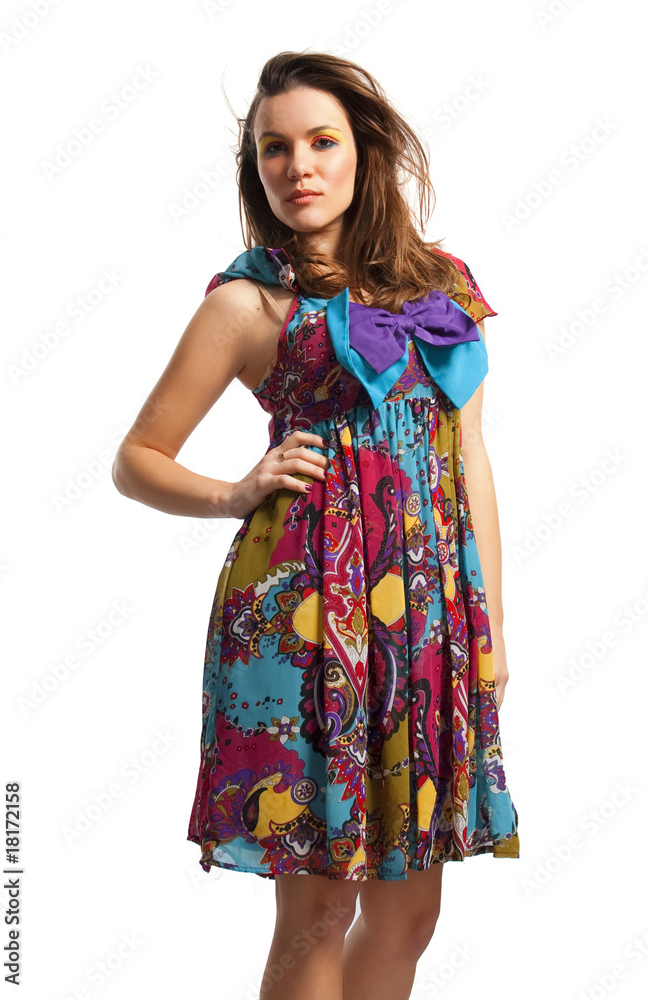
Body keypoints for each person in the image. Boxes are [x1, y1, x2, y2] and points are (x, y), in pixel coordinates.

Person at [112, 49, 519, 1000]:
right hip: (302, 621)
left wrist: (489, 628)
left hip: (426, 620)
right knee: (319, 915)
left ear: (363, 151)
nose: (297, 165)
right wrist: (235, 490)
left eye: (321, 141)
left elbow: (470, 460)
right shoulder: (247, 303)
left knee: (411, 913)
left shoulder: (444, 288)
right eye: (273, 148)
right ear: (255, 167)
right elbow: (138, 457)